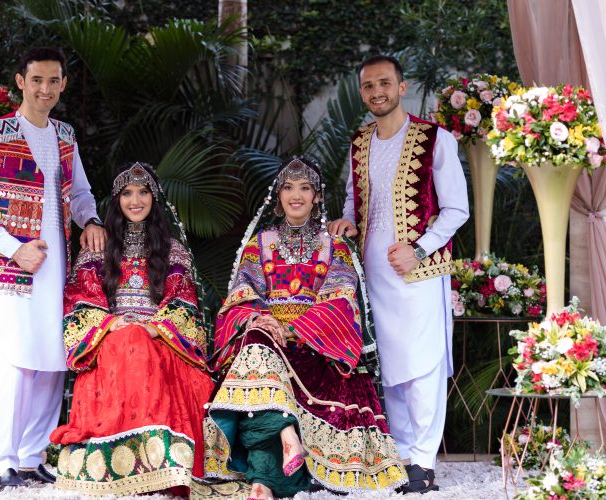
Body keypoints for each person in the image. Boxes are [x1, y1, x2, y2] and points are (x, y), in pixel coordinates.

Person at [203, 157, 407, 499]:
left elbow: (341, 298)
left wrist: (296, 329)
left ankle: (264, 479)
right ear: (279, 195)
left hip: (316, 346)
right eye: (288, 187)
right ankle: (286, 437)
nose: (296, 195)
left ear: (316, 197)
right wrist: (263, 318)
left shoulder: (335, 247)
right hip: (268, 340)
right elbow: (242, 292)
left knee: (256, 386)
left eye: (305, 188)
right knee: (255, 346)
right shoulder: (260, 244)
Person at [0, 47, 106, 490]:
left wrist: (92, 220)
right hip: (12, 270)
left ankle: (31, 456)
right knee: (12, 363)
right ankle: (3, 460)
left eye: (54, 81)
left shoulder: (65, 135)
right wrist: (13, 248)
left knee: (50, 361)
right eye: (37, 80)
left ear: (63, 84)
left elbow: (80, 193)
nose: (45, 89)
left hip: (56, 268)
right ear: (20, 81)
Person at [328, 55, 469, 493]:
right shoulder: (359, 142)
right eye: (368, 86)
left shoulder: (435, 139)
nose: (376, 93)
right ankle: (405, 453)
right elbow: (357, 202)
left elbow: (456, 210)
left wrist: (419, 249)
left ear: (402, 87)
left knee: (423, 362)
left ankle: (425, 462)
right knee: (390, 363)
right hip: (373, 274)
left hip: (421, 270)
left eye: (384, 83)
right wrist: (347, 222)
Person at [49, 162, 214, 496]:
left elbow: (185, 304)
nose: (135, 200)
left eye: (143, 192)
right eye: (127, 193)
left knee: (142, 343)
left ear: (154, 198)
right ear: (116, 199)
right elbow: (80, 300)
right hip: (111, 339)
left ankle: (155, 463)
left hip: (160, 340)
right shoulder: (97, 248)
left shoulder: (173, 249)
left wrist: (158, 327)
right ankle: (133, 462)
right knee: (129, 341)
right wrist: (111, 323)